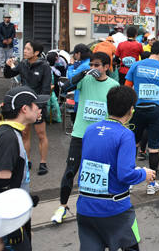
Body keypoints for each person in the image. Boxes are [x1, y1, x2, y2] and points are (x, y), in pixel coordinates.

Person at [76, 86, 156, 251]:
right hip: (114, 208)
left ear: (108, 106)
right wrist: (144, 173)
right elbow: (125, 175)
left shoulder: (90, 130)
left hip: (85, 206)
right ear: (130, 110)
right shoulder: (125, 135)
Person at [51, 52, 119, 224]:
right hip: (80, 134)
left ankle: (97, 205)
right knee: (70, 170)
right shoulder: (85, 80)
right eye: (91, 65)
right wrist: (82, 74)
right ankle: (62, 206)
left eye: (97, 65)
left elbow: (117, 112)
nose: (93, 68)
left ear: (106, 67)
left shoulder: (113, 85)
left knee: (100, 171)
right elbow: (64, 89)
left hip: (102, 135)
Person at [0, 86, 49, 250]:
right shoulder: (8, 138)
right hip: (4, 222)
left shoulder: (9, 131)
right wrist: (12, 227)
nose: (39, 109)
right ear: (25, 109)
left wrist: (25, 199)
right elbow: (1, 186)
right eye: (36, 105)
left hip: (11, 214)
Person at [125, 40, 159, 193]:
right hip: (156, 111)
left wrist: (127, 111)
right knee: (154, 149)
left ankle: (129, 182)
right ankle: (151, 185)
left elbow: (127, 89)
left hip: (137, 110)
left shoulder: (136, 65)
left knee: (133, 145)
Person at [3, 40, 51, 175]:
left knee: (41, 134)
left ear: (36, 53)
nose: (24, 51)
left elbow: (46, 89)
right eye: (24, 48)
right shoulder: (23, 64)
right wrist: (7, 66)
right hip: (24, 104)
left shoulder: (44, 66)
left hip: (38, 103)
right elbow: (9, 74)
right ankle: (26, 160)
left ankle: (43, 162)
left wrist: (40, 107)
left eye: (28, 49)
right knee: (24, 133)